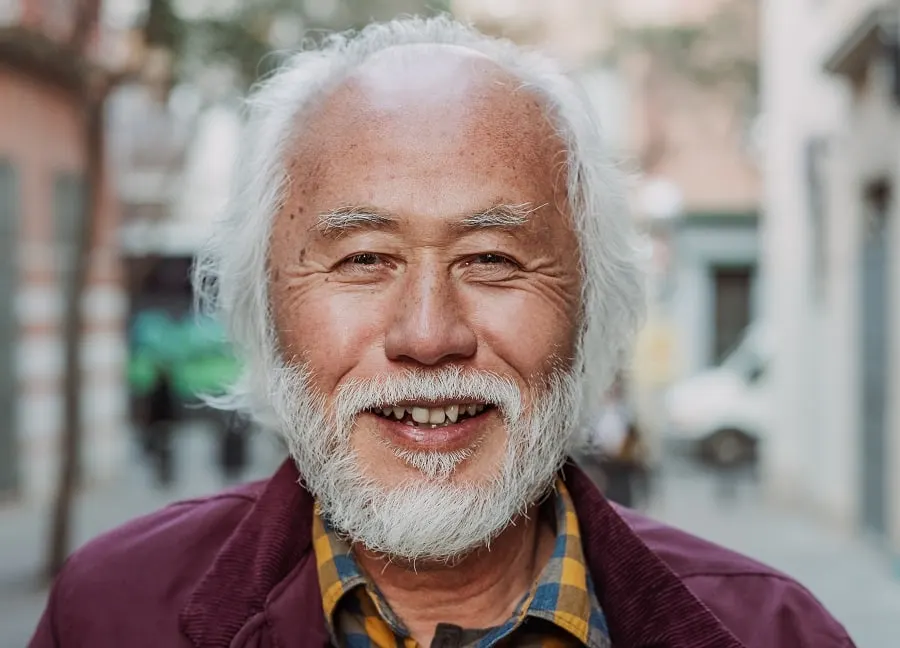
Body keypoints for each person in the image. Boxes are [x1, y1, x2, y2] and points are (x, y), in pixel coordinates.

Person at [30, 17, 855, 648]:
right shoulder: (113, 611)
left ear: (588, 304)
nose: (429, 335)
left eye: (493, 258)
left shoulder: (775, 631)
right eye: (363, 259)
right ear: (267, 301)